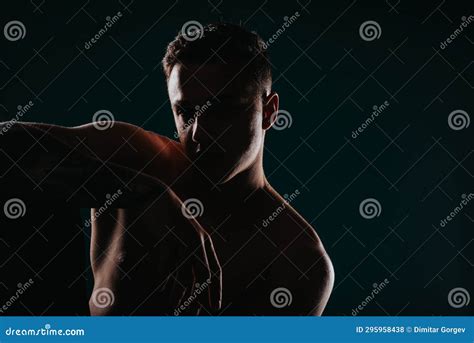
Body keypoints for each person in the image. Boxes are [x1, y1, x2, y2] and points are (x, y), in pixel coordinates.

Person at [0, 22, 333, 315]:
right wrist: (146, 193)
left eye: (223, 110)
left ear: (269, 111)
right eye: (186, 112)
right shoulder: (137, 158)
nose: (199, 133)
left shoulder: (297, 261)